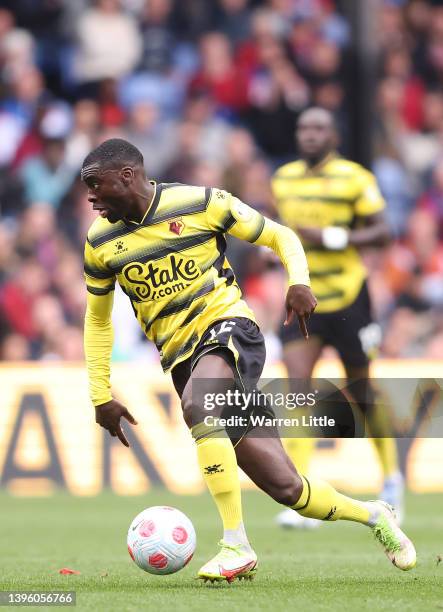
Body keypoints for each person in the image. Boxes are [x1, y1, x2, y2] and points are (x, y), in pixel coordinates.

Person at [82, 138, 415, 583]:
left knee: (199, 406)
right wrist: (100, 394)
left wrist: (298, 281)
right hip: (181, 358)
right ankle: (375, 515)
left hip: (229, 329)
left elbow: (281, 234)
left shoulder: (200, 203)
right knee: (287, 488)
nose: (91, 197)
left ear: (127, 176)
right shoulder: (100, 243)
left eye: (96, 185)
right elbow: (98, 322)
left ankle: (235, 544)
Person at [271, 107, 404, 529]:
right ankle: (306, 494)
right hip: (304, 295)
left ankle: (391, 478)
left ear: (334, 136)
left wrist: (331, 237)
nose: (309, 135)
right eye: (303, 128)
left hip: (348, 297)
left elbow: (383, 232)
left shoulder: (355, 178)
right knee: (297, 389)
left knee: (362, 390)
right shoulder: (283, 179)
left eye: (318, 128)